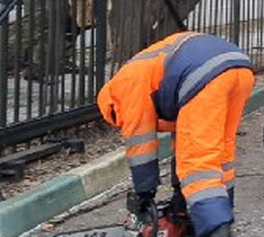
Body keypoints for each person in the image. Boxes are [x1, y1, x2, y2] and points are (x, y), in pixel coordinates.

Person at [97, 31, 255, 237]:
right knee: (221, 152)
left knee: (198, 164)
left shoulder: (124, 90)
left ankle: (217, 229)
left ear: (112, 107)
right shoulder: (142, 74)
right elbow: (184, 135)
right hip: (238, 67)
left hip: (202, 74)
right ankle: (218, 216)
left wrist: (145, 192)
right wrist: (180, 195)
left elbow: (141, 149)